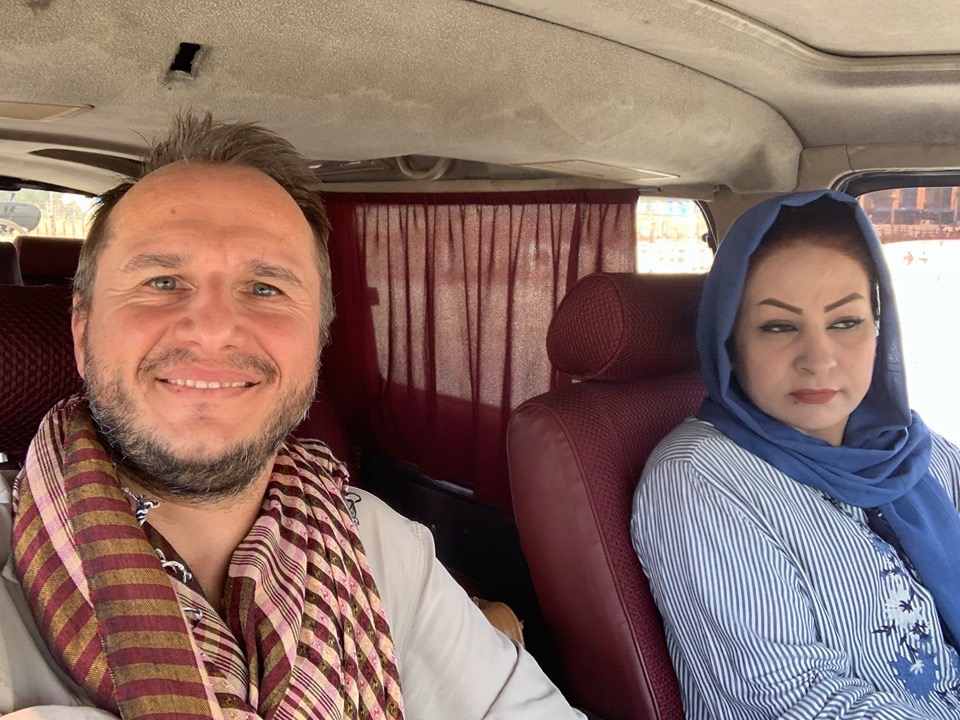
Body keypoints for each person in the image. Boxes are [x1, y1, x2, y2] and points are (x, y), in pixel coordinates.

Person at [0, 113, 585, 720]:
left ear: (319, 338)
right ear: (82, 329)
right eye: (163, 280)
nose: (214, 329)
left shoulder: (376, 542)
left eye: (265, 288)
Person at [632, 190, 960, 718]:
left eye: (845, 322)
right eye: (779, 327)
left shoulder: (918, 451)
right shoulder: (699, 480)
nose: (818, 359)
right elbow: (792, 698)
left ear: (879, 330)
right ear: (730, 343)